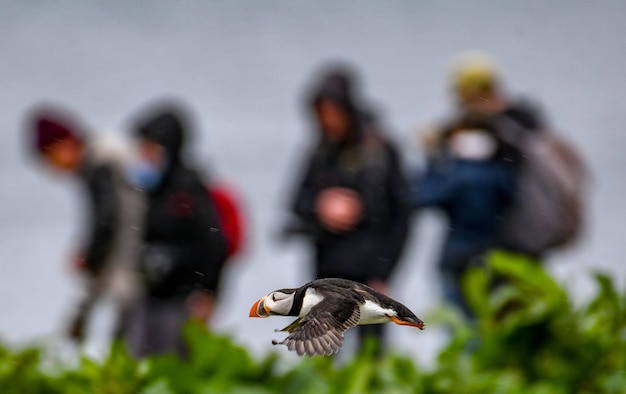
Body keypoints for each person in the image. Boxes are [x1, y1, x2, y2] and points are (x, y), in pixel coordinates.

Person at [286, 65, 412, 353]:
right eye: (320, 114)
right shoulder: (319, 151)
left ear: (346, 108)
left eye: (330, 112)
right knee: (321, 354)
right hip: (327, 278)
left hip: (369, 276)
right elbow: (295, 203)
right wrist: (321, 206)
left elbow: (403, 216)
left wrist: (386, 272)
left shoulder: (381, 151)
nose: (326, 121)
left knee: (369, 360)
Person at [28, 104, 144, 343]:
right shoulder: (105, 157)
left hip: (139, 267)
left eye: (50, 158)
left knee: (132, 343)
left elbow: (107, 219)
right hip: (145, 263)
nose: (52, 169)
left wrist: (91, 258)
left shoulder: (101, 162)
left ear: (65, 144)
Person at [123, 101, 228, 358]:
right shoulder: (149, 190)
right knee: (140, 361)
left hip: (182, 299)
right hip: (149, 296)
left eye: (149, 148)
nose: (144, 155)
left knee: (176, 364)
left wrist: (208, 292)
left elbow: (215, 243)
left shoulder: (188, 190)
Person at [412, 115, 517, 318]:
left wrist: (432, 159)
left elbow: (420, 196)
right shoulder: (499, 175)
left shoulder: (456, 177)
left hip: (456, 257)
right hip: (492, 256)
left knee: (458, 323)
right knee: (487, 319)